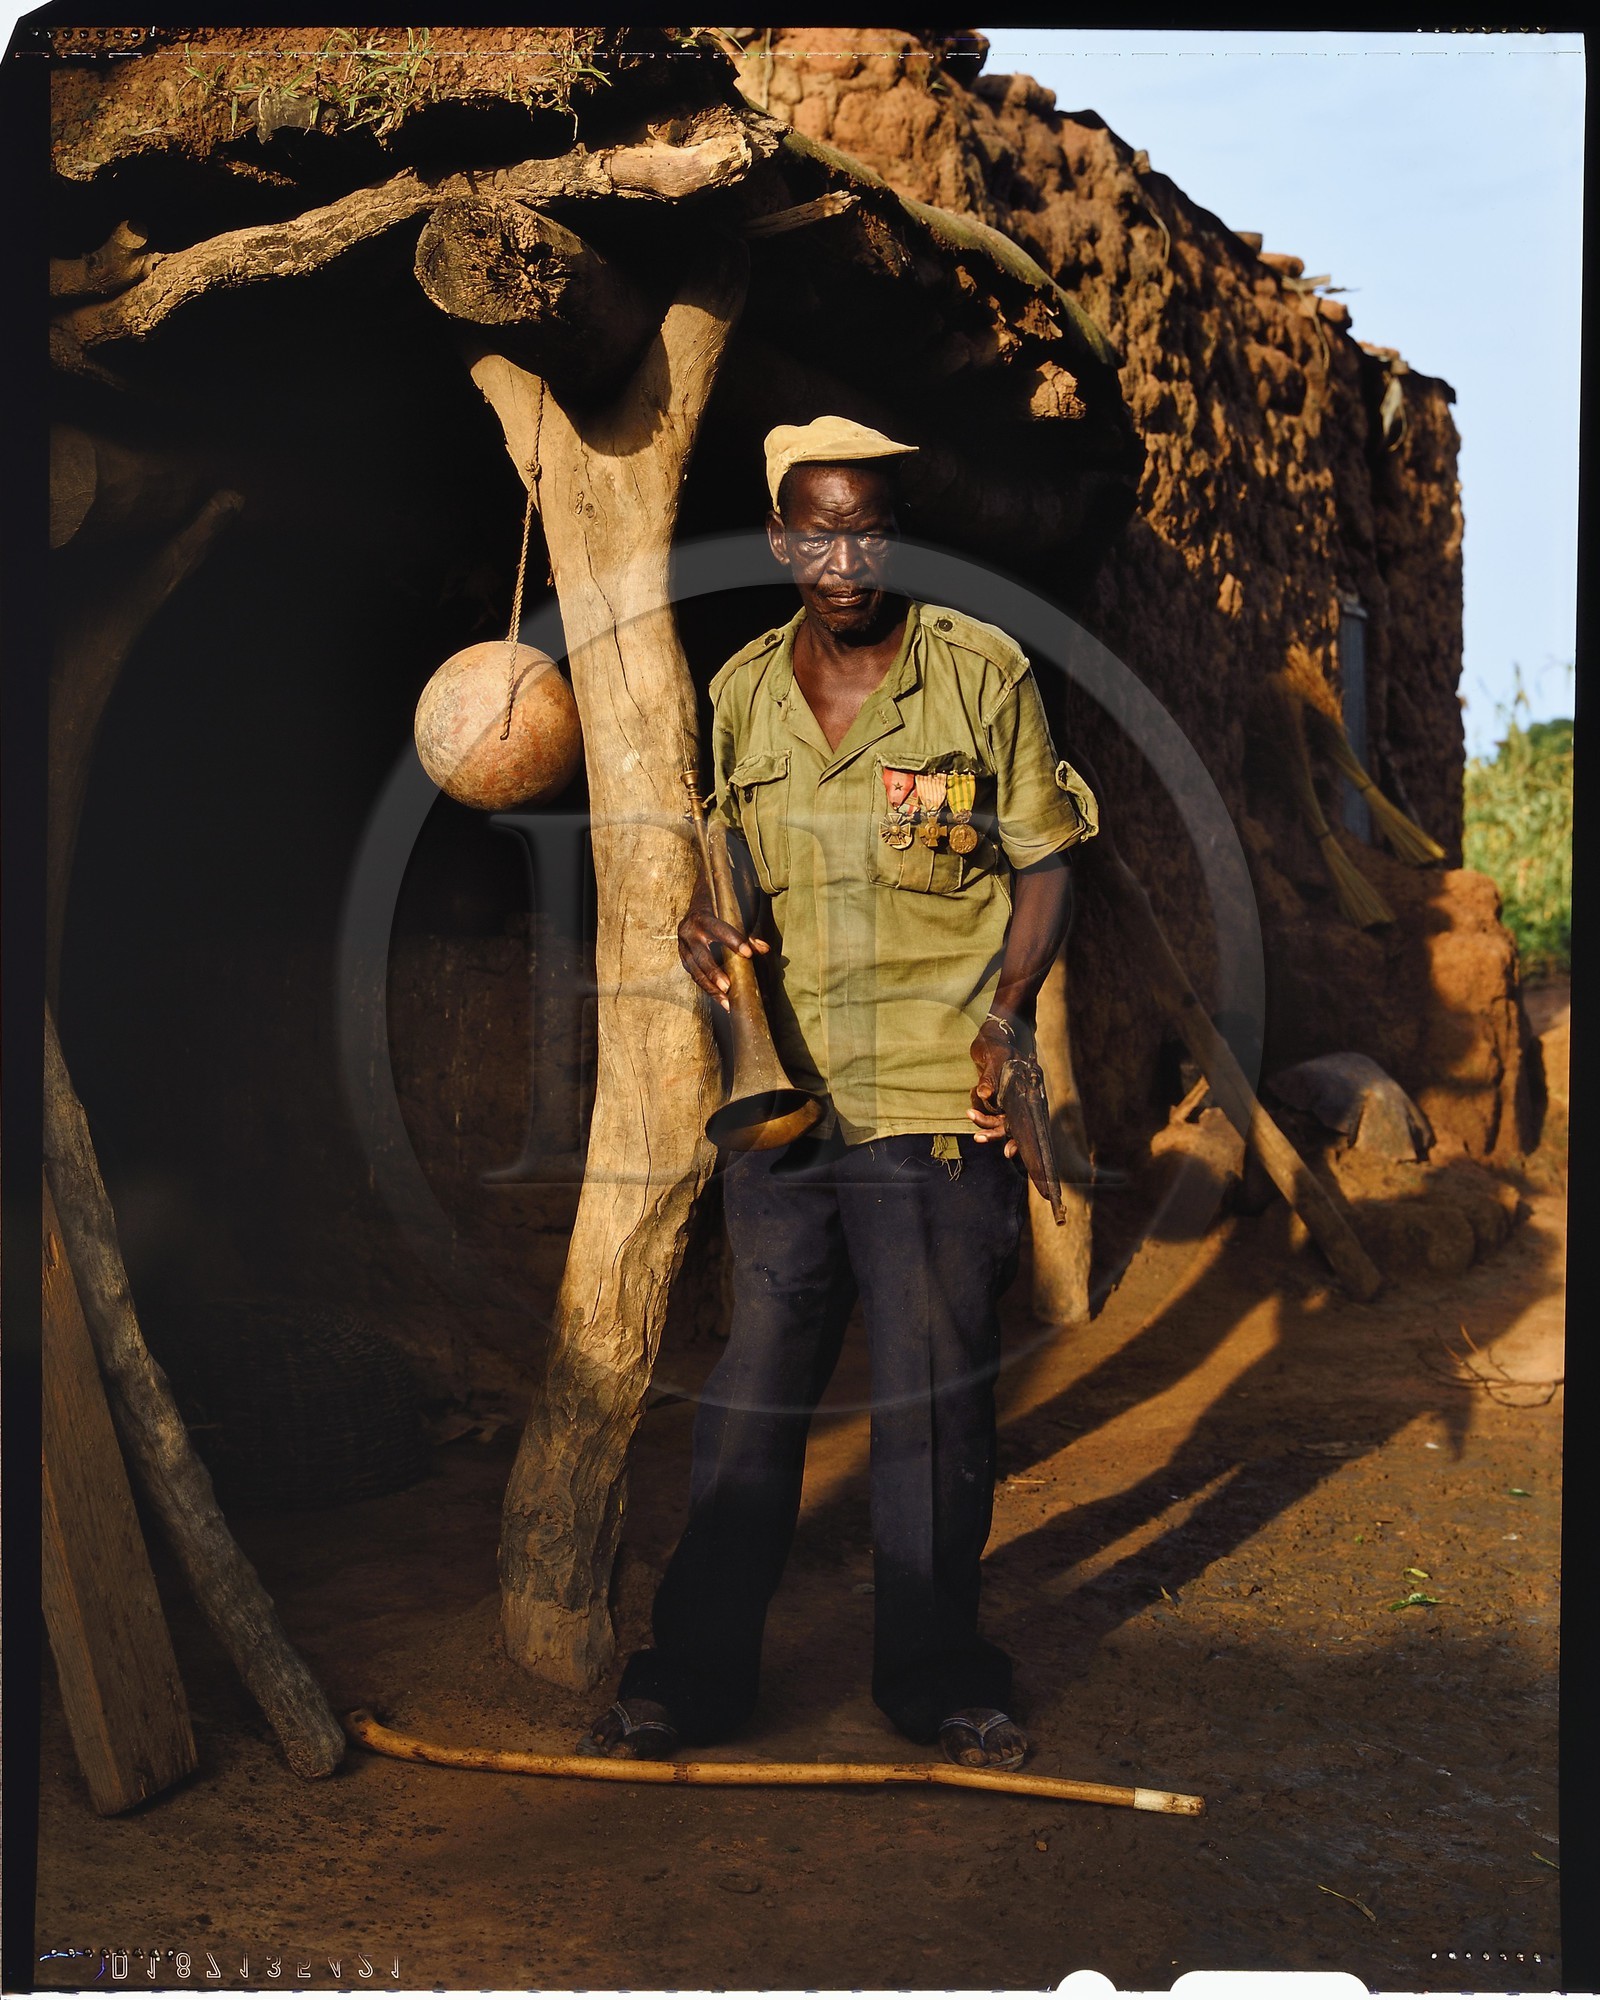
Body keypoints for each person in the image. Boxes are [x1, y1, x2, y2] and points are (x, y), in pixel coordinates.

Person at [579, 416, 1098, 1771]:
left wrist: (1008, 1014)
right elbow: (730, 867)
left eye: (868, 527)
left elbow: (1046, 859)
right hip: (787, 1110)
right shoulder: (743, 692)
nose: (845, 556)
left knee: (933, 1410)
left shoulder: (979, 673)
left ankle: (937, 1679)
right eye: (817, 531)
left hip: (939, 1104)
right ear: (780, 539)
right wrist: (707, 919)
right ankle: (691, 1679)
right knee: (752, 1402)